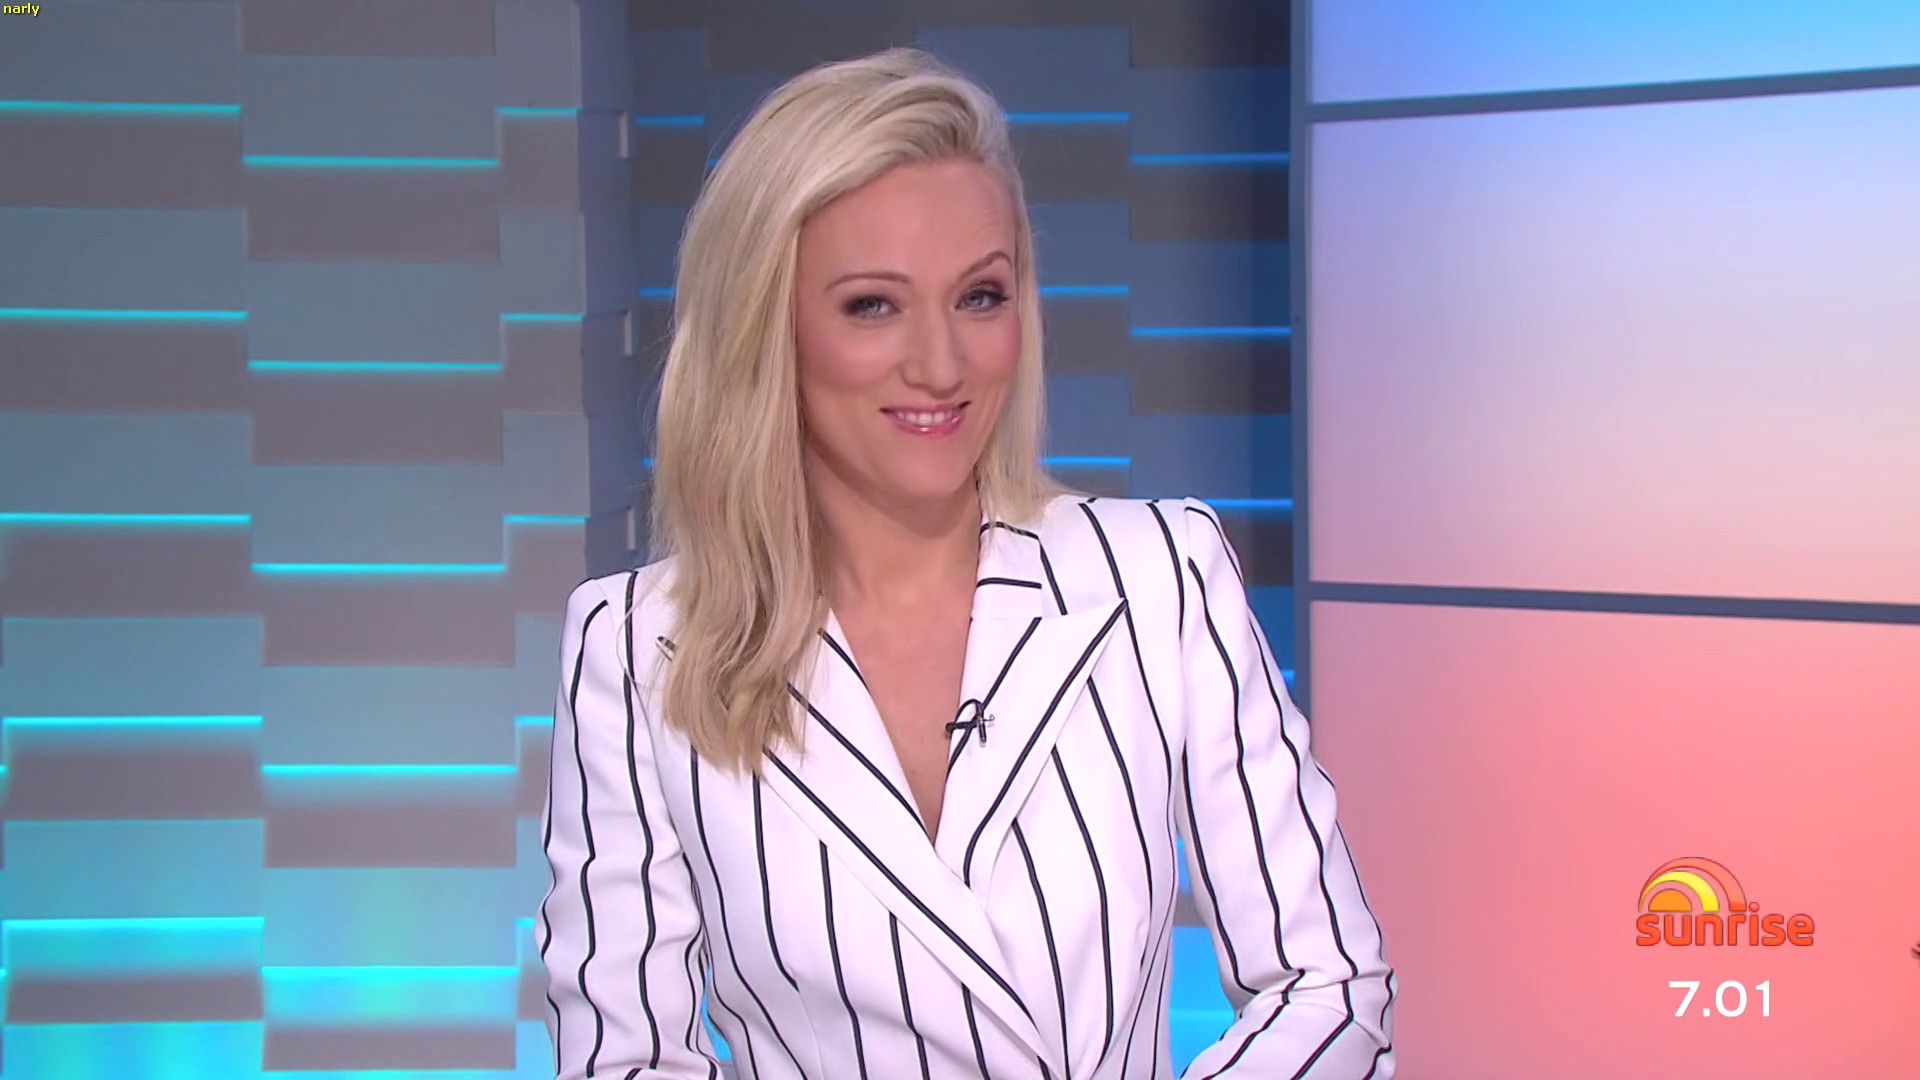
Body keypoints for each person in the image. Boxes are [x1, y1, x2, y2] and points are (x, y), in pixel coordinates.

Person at [538, 46, 1395, 1080]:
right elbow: (625, 1059)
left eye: (980, 297)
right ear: (766, 329)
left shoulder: (1159, 578)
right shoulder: (637, 649)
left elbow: (1330, 985)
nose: (941, 365)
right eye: (873, 305)